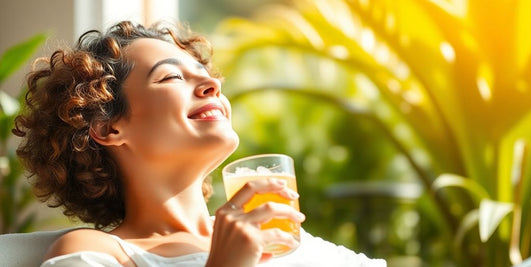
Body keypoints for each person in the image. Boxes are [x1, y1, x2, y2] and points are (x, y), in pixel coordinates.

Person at [13, 20, 386, 267]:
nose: (213, 86)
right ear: (107, 127)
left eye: (206, 75)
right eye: (172, 77)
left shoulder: (280, 233)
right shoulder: (94, 254)